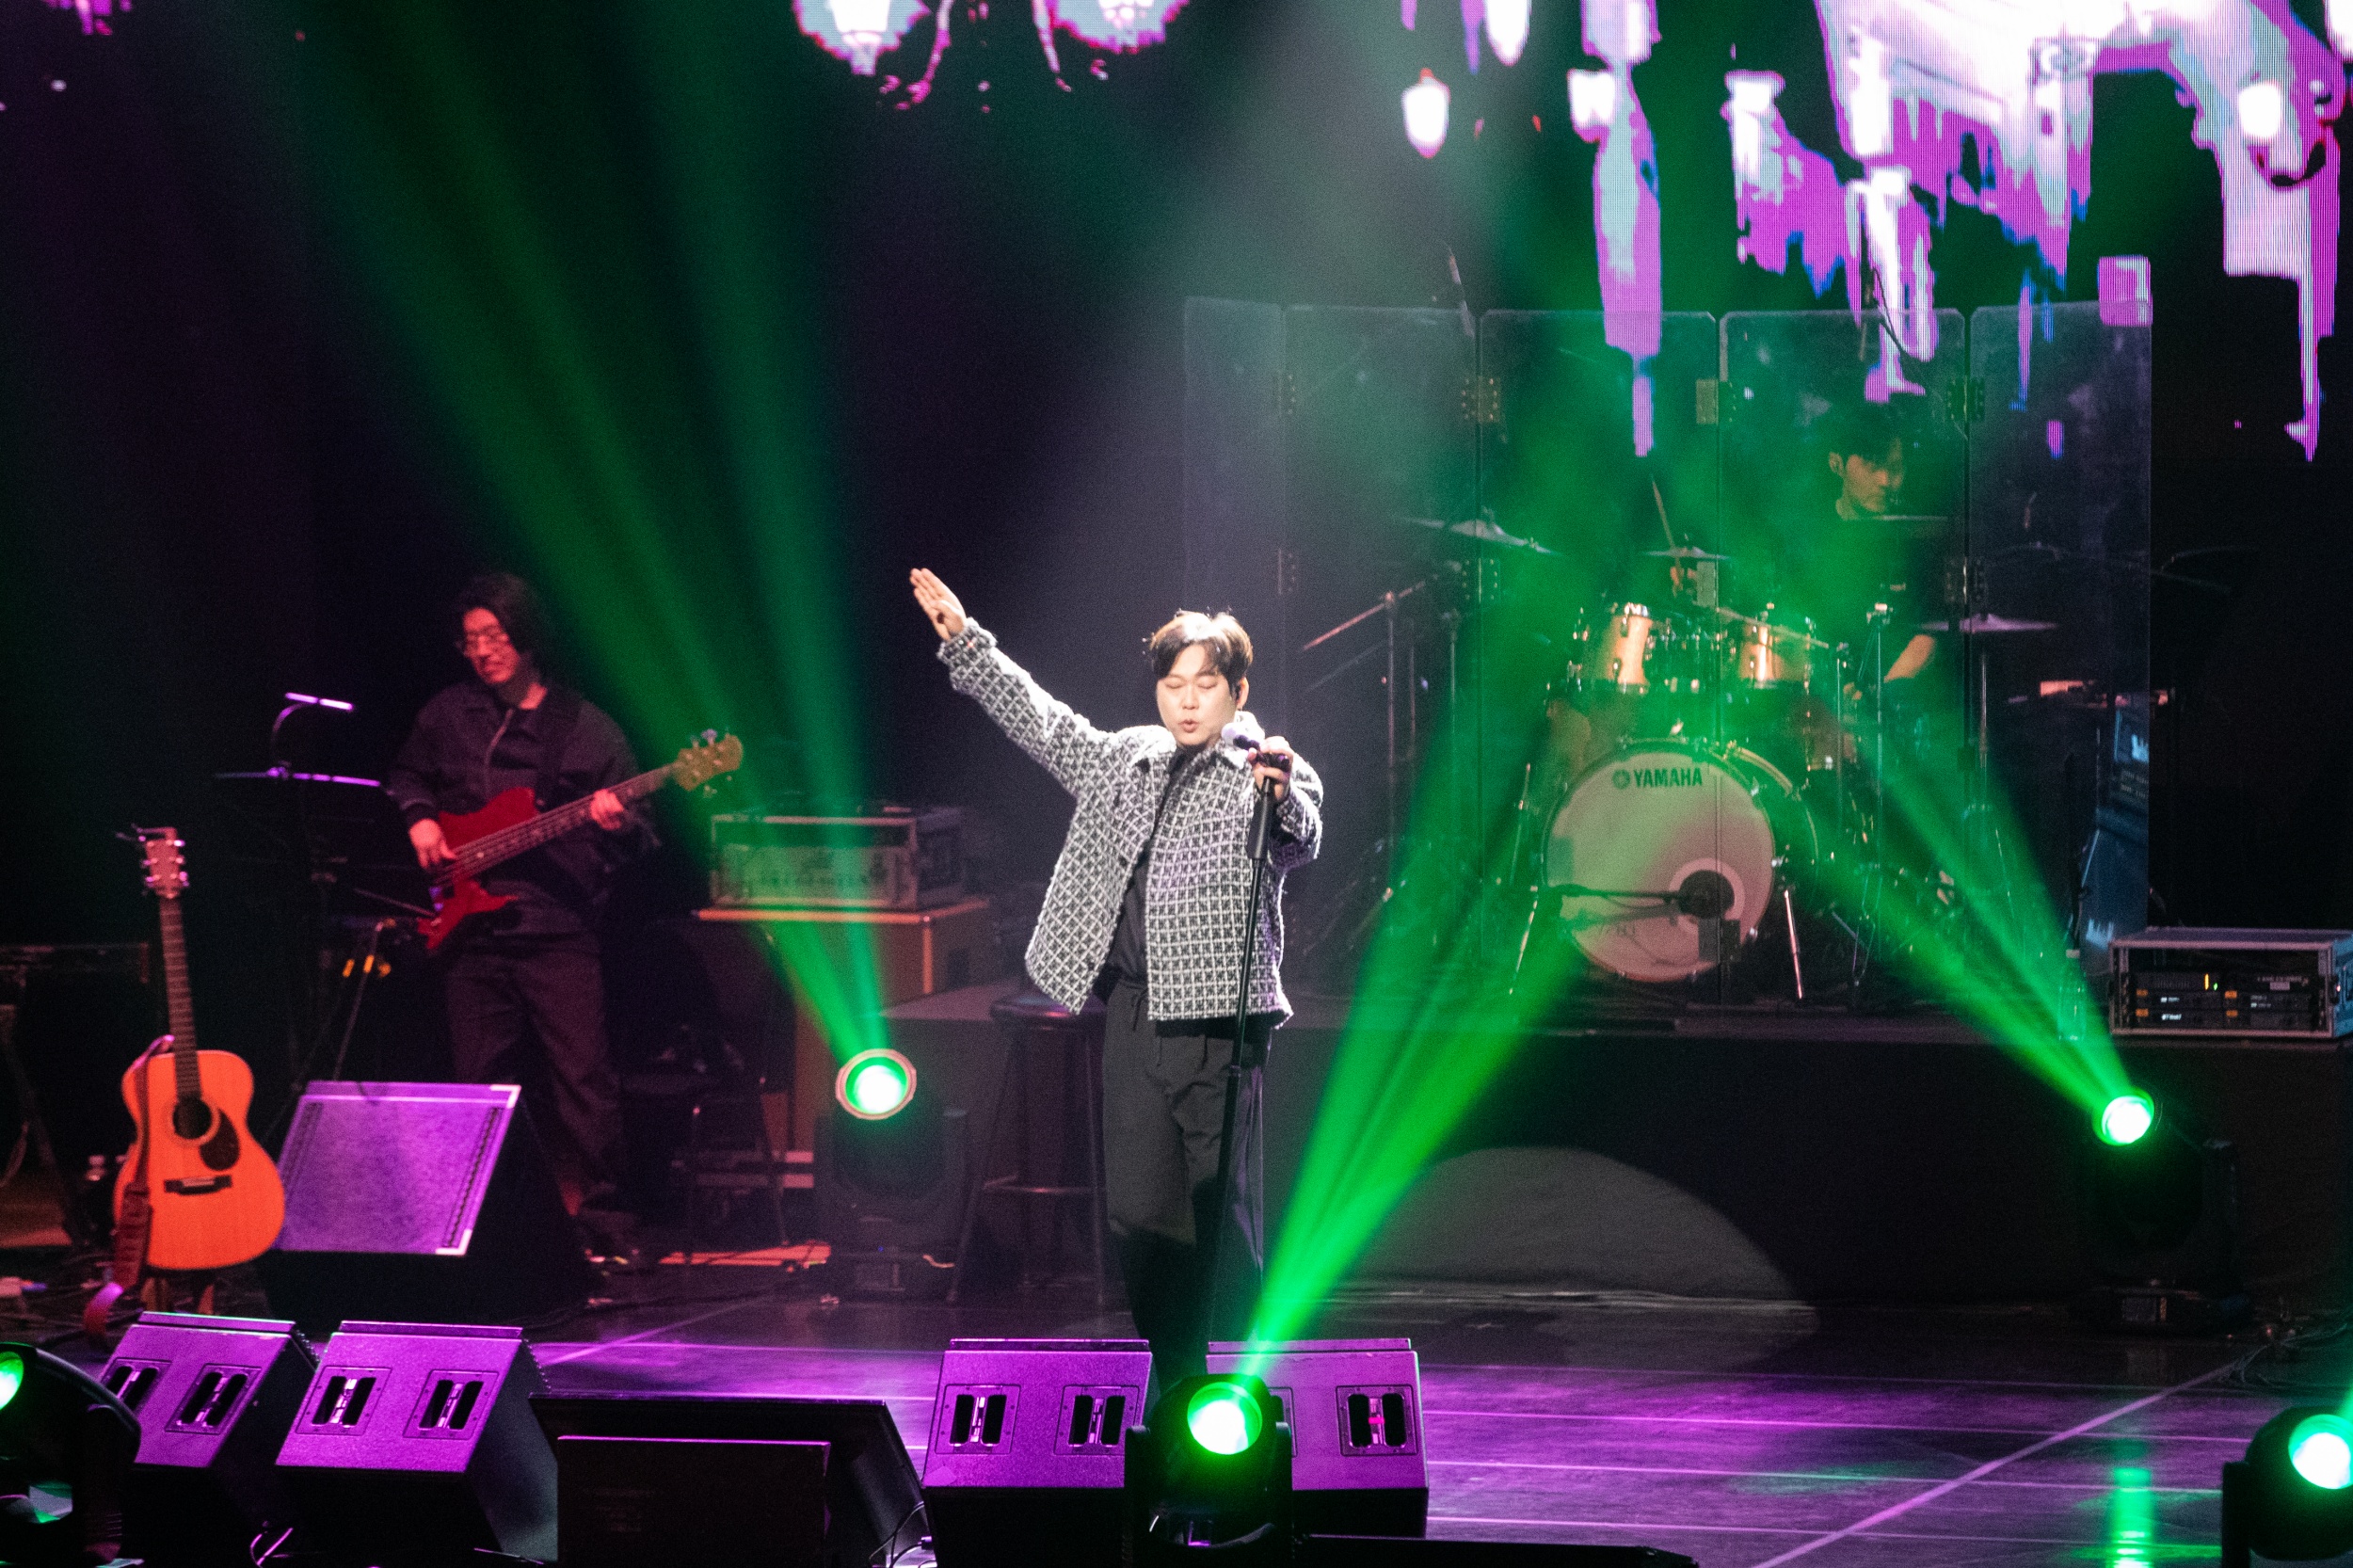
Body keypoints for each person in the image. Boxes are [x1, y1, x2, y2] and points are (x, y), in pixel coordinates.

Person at [911, 568, 1322, 1390]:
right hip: (1133, 1011)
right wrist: (967, 643)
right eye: (1174, 685)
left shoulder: (1265, 766)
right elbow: (1044, 722)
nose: (1187, 701)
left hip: (1219, 1021)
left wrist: (1278, 794)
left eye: (1205, 685)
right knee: (1138, 1213)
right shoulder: (1128, 758)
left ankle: (1233, 1384)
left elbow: (1301, 834)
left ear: (1237, 692)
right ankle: (1175, 1374)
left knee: (1218, 1209)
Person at [386, 572, 653, 1248]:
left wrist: (617, 822)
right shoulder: (448, 714)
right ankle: (486, 1225)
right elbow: (409, 774)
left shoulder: (587, 729)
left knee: (583, 1081)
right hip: (471, 930)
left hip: (556, 929)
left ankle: (608, 1226)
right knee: (477, 1084)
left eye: (494, 636)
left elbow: (644, 837)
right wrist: (420, 819)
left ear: (527, 636)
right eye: (470, 640)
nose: (481, 651)